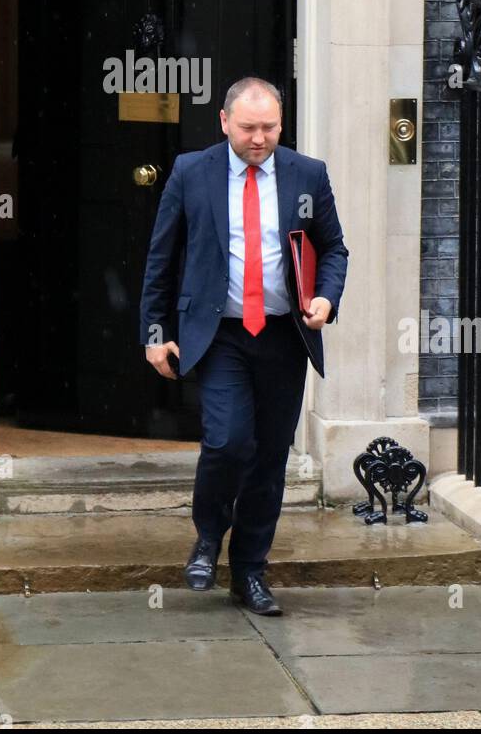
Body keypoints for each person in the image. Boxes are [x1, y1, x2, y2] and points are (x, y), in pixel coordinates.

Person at [139, 76, 348, 616]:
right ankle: (209, 536)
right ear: (225, 122)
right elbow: (162, 258)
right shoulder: (191, 172)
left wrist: (325, 298)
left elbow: (334, 249)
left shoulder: (308, 174)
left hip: (283, 334)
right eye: (249, 127)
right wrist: (155, 334)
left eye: (270, 127)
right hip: (220, 334)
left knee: (269, 459)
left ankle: (251, 571)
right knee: (229, 441)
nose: (260, 138)